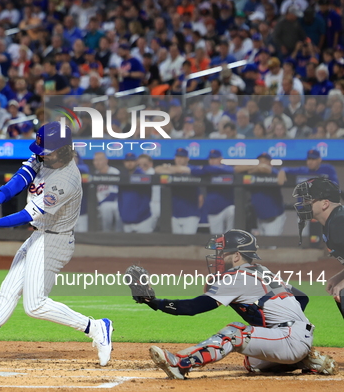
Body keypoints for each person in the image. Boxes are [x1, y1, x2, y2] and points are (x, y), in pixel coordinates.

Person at [0, 122, 113, 366]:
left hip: (55, 240)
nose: (41, 154)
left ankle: (96, 327)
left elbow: (28, 214)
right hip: (39, 236)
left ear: (63, 150)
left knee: (35, 306)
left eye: (47, 151)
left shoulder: (67, 179)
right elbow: (21, 177)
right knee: (6, 293)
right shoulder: (45, 156)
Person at [142, 229, 337, 379]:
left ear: (237, 256)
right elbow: (302, 297)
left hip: (288, 338)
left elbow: (194, 307)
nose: (218, 257)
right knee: (252, 362)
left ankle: (181, 364)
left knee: (235, 333)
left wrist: (156, 303)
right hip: (294, 336)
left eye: (223, 253)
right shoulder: (260, 270)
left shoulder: (237, 277)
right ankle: (306, 361)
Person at [292, 177, 344, 319]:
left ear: (325, 203)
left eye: (309, 200)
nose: (304, 204)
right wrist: (339, 276)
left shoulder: (339, 222)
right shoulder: (333, 221)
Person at [154, 148, 201, 235]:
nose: (179, 159)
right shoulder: (172, 169)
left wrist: (168, 168)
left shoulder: (193, 169)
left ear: (187, 158)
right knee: (178, 244)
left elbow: (183, 170)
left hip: (191, 214)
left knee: (188, 242)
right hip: (174, 215)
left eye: (182, 157)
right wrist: (171, 169)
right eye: (177, 156)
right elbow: (157, 169)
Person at [118, 153, 156, 233]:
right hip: (127, 221)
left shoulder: (143, 176)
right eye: (127, 161)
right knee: (127, 245)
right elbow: (120, 198)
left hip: (143, 221)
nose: (129, 163)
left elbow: (147, 198)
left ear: (136, 162)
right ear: (124, 162)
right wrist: (123, 214)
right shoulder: (122, 177)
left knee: (145, 245)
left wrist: (139, 214)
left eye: (132, 160)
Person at [93, 151, 121, 232]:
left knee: (107, 207)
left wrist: (100, 203)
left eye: (100, 160)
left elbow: (113, 194)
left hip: (114, 202)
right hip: (101, 203)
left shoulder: (114, 172)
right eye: (95, 160)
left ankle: (119, 233)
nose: (97, 163)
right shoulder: (95, 174)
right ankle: (106, 233)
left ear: (106, 161)